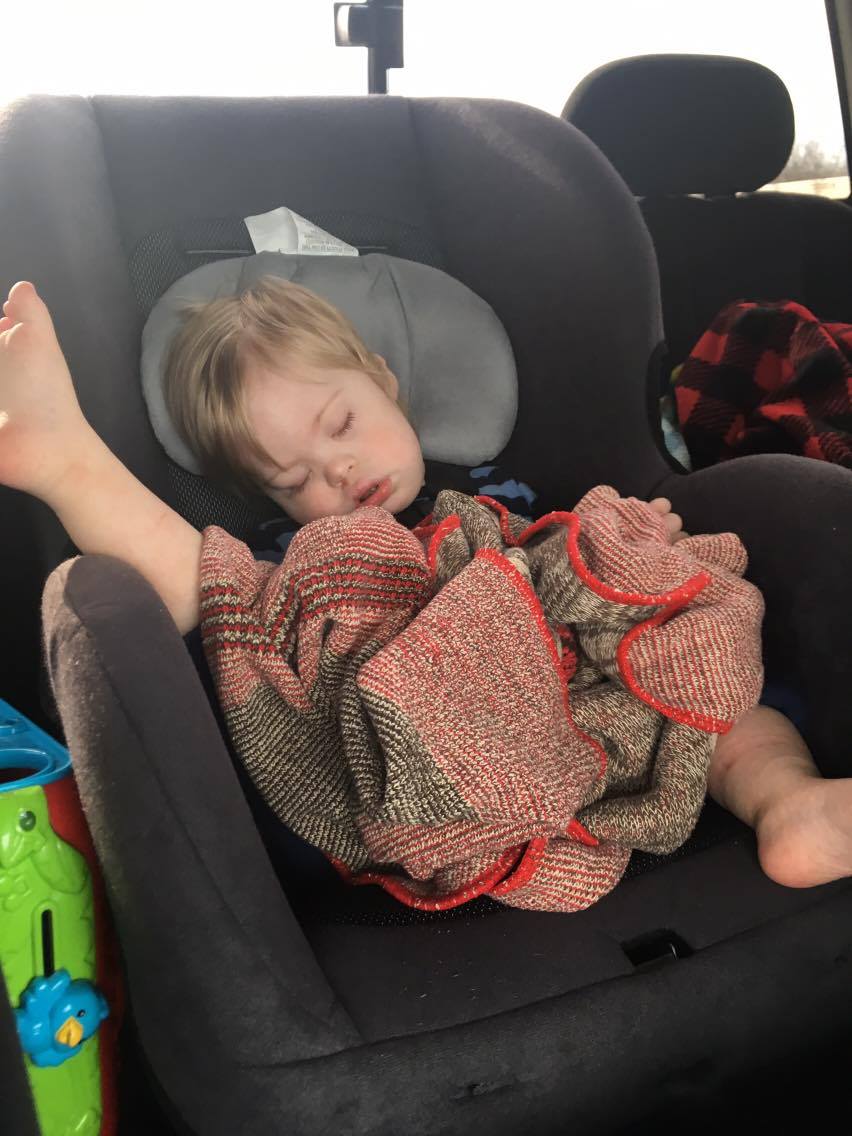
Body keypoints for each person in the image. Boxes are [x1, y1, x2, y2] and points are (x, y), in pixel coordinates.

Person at [1, 276, 850, 892]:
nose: (336, 470)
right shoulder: (309, 555)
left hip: (590, 698)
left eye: (342, 423)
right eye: (292, 479)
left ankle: (788, 805)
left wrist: (630, 551)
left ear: (384, 380)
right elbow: (225, 609)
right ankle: (68, 463)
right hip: (418, 730)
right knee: (232, 599)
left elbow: (590, 571)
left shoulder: (503, 496)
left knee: (717, 698)